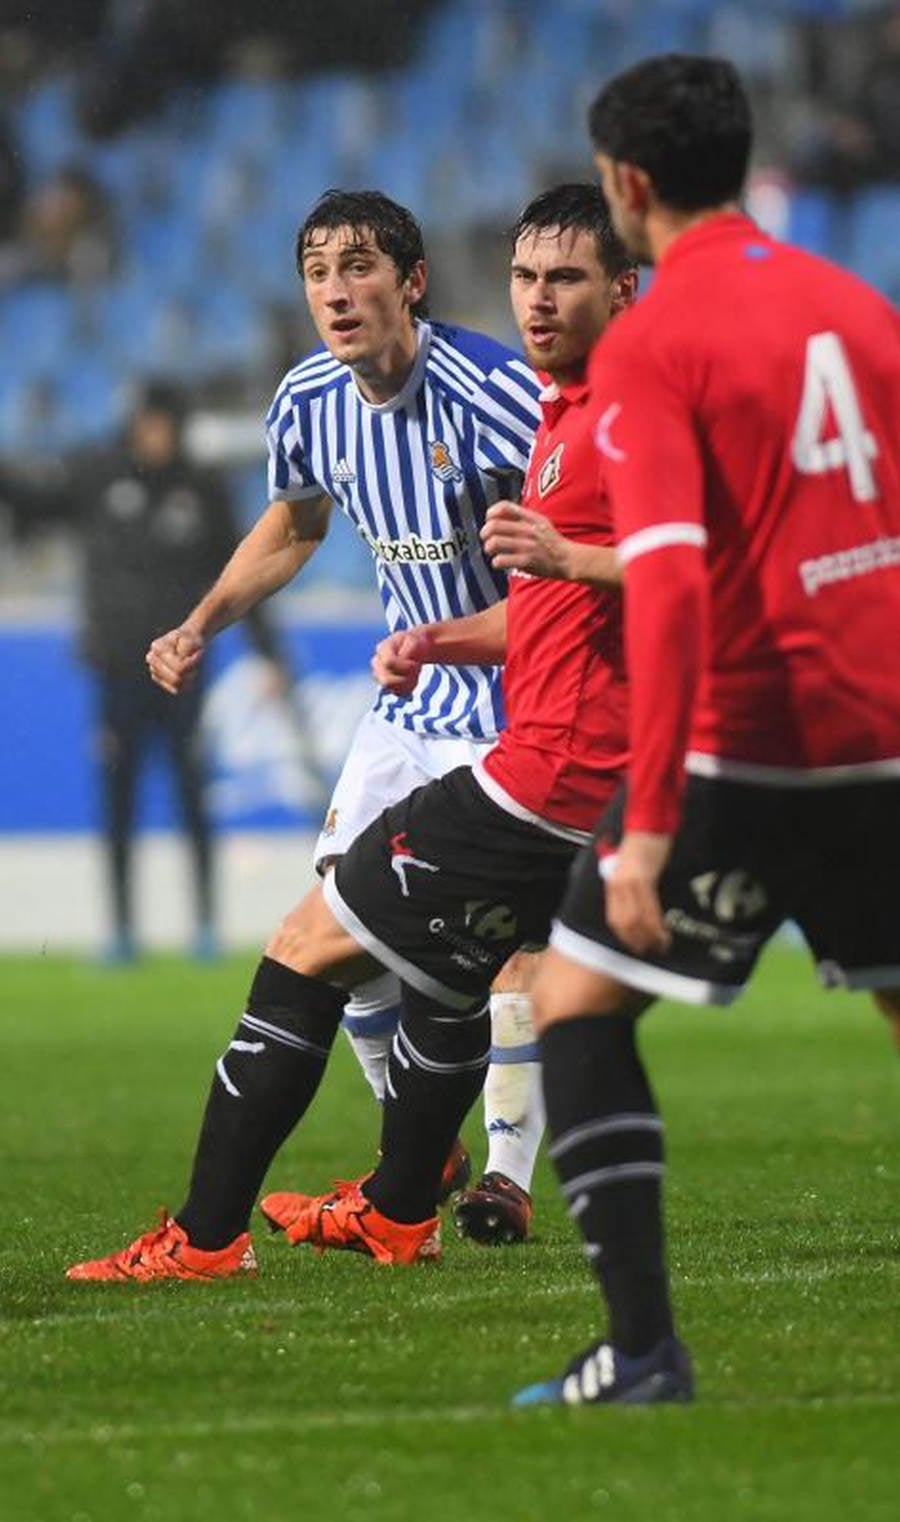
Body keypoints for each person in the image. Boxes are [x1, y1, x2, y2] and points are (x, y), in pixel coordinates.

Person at [65, 182, 638, 1282]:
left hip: (516, 712)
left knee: (398, 959)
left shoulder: (504, 395)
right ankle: (412, 1181)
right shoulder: (310, 401)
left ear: (411, 283)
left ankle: (429, 1188)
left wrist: (472, 638)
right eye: (318, 271)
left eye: (360, 267)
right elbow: (296, 520)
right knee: (365, 949)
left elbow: (581, 566)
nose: (337, 290)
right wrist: (200, 622)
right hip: (408, 709)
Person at [512, 53, 900, 1410]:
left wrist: (651, 826)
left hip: (751, 742)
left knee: (573, 1002)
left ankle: (643, 1352)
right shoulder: (858, 304)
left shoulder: (656, 343)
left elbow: (670, 584)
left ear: (626, 186)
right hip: (888, 736)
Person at [76, 381, 287, 963]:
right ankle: (119, 930)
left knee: (193, 795)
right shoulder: (101, 480)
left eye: (163, 423)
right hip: (117, 673)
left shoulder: (202, 489)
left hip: (182, 674)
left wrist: (268, 656)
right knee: (118, 800)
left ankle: (204, 924)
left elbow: (244, 578)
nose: (154, 435)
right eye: (146, 423)